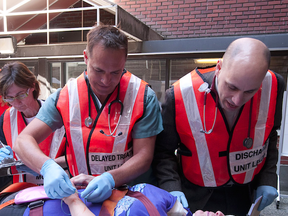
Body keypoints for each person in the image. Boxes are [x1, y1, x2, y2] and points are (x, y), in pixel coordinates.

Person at [13, 24, 163, 202]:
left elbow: (144, 156)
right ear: (86, 57)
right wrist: (47, 167)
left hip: (131, 196)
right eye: (98, 70)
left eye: (116, 72)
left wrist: (110, 178)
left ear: (125, 61)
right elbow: (23, 141)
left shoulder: (143, 96)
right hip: (83, 196)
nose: (106, 81)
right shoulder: (66, 96)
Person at [153, 38, 285, 216]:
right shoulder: (178, 95)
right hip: (196, 195)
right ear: (219, 68)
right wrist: (171, 187)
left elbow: (270, 135)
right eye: (232, 87)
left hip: (246, 193)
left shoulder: (274, 85)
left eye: (250, 91)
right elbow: (163, 151)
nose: (237, 100)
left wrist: (268, 179)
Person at [0, 61, 66, 189]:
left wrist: (43, 166)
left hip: (58, 187)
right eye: (9, 98)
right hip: (20, 191)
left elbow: (75, 157)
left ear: (33, 86)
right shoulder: (6, 119)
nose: (17, 102)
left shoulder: (58, 114)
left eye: (20, 95)